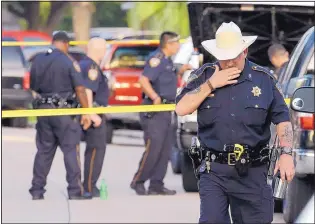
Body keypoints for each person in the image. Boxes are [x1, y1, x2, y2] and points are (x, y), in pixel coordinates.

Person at [176, 22, 295, 223]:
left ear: (245, 51)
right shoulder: (204, 76)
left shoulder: (264, 79)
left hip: (253, 172)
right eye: (225, 58)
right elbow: (181, 108)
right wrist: (211, 84)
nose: (230, 63)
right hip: (214, 171)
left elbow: (283, 119)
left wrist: (286, 154)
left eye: (235, 57)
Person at [29, 31, 92, 200]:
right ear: (66, 44)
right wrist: (86, 111)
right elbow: (80, 89)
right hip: (64, 113)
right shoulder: (68, 61)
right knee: (71, 150)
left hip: (43, 110)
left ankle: (37, 190)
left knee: (43, 151)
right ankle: (74, 190)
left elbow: (33, 86)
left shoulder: (38, 60)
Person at [130, 31, 192, 196]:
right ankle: (138, 181)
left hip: (166, 110)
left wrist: (182, 69)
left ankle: (157, 184)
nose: (178, 46)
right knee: (153, 148)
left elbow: (166, 78)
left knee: (165, 150)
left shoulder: (167, 61)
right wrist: (154, 96)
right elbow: (144, 80)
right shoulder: (156, 59)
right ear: (169, 44)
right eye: (176, 43)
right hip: (154, 111)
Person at [79, 37, 109, 197]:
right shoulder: (91, 67)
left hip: (94, 111)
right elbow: (88, 90)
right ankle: (90, 185)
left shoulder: (84, 64)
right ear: (99, 50)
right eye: (104, 49)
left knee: (94, 150)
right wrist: (91, 114)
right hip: (94, 115)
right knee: (96, 150)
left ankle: (89, 184)